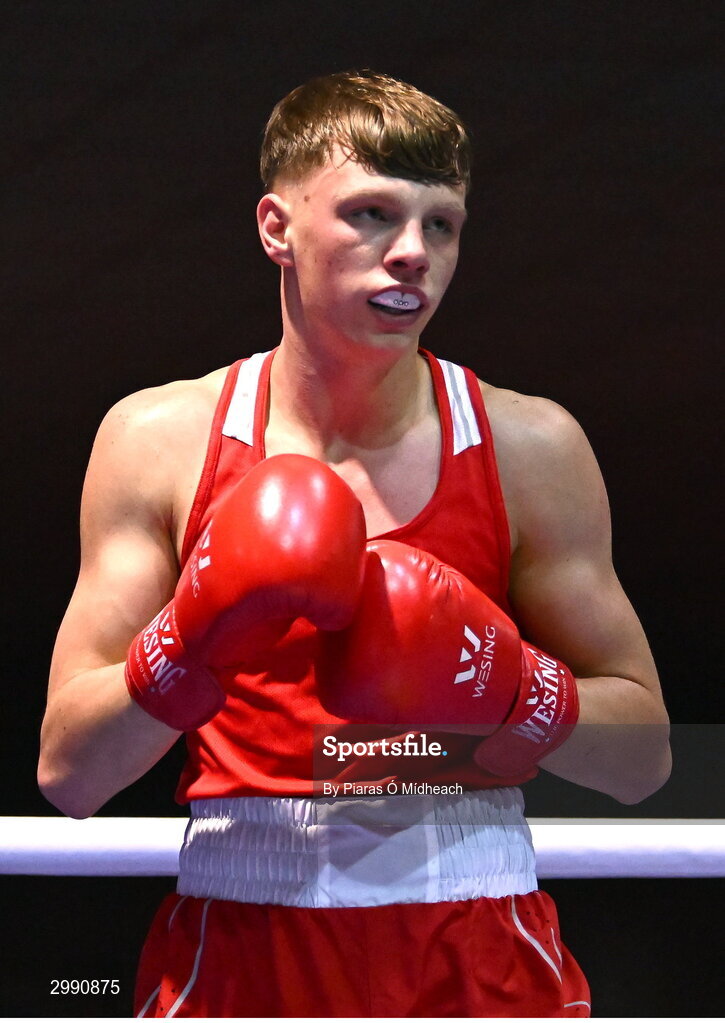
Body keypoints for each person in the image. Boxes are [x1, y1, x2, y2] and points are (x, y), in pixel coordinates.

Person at [38, 70, 671, 1017]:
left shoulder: (530, 446)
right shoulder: (160, 440)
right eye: (371, 214)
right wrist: (195, 636)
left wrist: (509, 687)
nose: (412, 252)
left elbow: (645, 758)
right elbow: (68, 773)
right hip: (243, 939)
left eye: (441, 224)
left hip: (478, 940)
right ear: (275, 229)